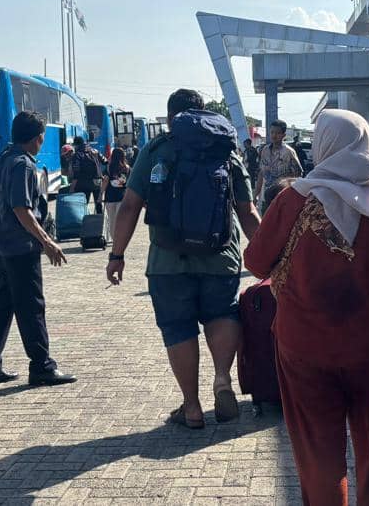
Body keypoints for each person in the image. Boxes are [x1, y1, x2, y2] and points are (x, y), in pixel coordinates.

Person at [243, 109, 369, 506]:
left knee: (319, 453)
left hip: (304, 349)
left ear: (325, 146)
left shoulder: (292, 199)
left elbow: (255, 261)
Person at [105, 89, 260, 429]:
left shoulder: (157, 149)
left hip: (168, 259)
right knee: (222, 314)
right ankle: (222, 379)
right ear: (204, 114)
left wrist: (117, 255)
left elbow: (129, 205)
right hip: (221, 255)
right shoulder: (225, 150)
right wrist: (271, 255)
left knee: (178, 326)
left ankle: (191, 407)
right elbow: (246, 211)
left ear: (171, 116)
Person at [0, 111, 76, 387]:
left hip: (4, 246)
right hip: (21, 248)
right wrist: (47, 242)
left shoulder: (5, 158)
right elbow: (23, 209)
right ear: (37, 138)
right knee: (32, 308)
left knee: (3, 309)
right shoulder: (24, 165)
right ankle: (42, 365)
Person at [255, 120, 303, 215]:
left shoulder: (289, 152)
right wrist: (256, 195)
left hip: (283, 198)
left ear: (283, 135)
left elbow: (298, 175)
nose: (274, 135)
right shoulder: (265, 151)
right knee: (266, 225)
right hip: (267, 197)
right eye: (272, 132)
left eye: (278, 133)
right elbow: (261, 173)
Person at [101, 147, 130, 246]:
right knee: (120, 219)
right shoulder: (127, 168)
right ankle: (120, 238)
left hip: (110, 197)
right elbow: (129, 183)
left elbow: (105, 181)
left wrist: (100, 194)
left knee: (112, 220)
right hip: (122, 197)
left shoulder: (109, 167)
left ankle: (114, 238)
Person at [70, 136, 104, 214]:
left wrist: (72, 187)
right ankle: (100, 221)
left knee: (83, 205)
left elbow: (76, 173)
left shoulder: (77, 155)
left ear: (76, 145)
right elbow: (105, 161)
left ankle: (85, 223)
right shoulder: (94, 151)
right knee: (98, 204)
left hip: (83, 183)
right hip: (97, 181)